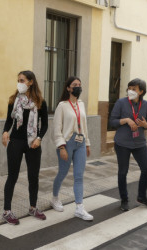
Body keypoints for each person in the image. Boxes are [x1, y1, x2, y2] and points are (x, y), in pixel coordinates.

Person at [1, 70, 48, 225]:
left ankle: (33, 207)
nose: (19, 83)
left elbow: (45, 124)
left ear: (30, 82)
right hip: (15, 141)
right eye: (18, 80)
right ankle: (7, 211)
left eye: (22, 80)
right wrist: (5, 132)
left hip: (33, 143)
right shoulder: (14, 100)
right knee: (12, 176)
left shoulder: (40, 101)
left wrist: (39, 138)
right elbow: (9, 121)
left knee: (33, 177)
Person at [51, 76, 93, 221]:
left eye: (79, 84)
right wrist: (61, 146)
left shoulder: (81, 104)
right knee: (62, 173)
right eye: (74, 85)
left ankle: (79, 208)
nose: (78, 87)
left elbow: (85, 125)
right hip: (67, 143)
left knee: (79, 175)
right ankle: (55, 198)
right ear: (68, 88)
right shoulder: (62, 106)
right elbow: (57, 129)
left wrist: (87, 143)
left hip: (80, 142)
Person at [109, 78, 147, 212]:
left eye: (134, 89)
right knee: (123, 172)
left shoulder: (146, 105)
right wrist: (127, 120)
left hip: (139, 143)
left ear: (141, 91)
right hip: (122, 143)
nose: (130, 91)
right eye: (129, 88)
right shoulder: (121, 102)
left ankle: (142, 196)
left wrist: (146, 125)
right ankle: (124, 199)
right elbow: (112, 121)